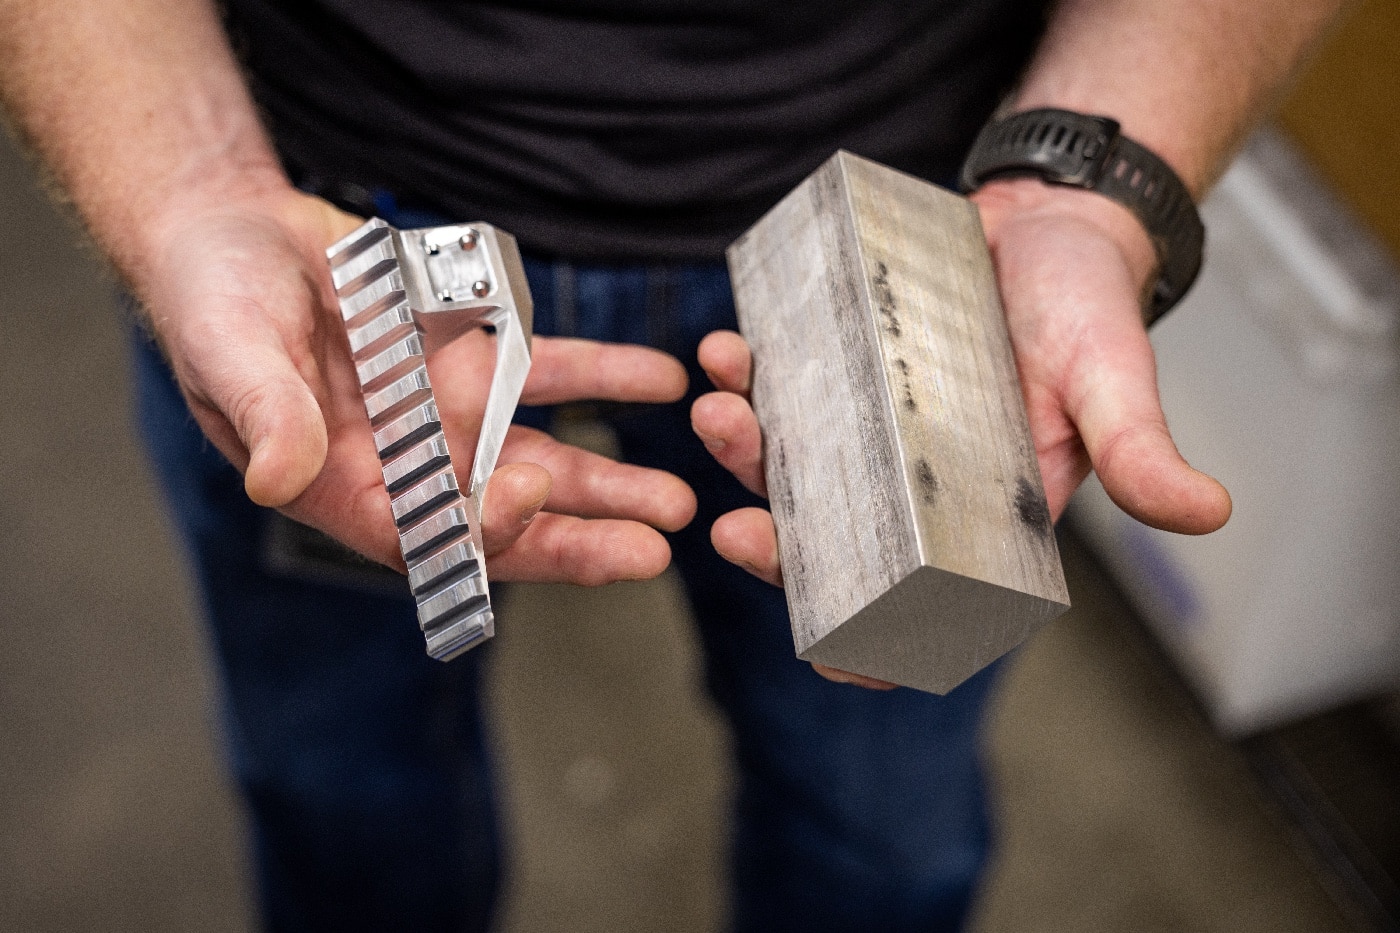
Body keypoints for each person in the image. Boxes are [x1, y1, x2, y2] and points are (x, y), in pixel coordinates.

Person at [0, 0, 1341, 930]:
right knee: (344, 792)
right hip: (325, 232)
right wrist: (186, 191)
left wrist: (1087, 180)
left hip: (898, 215)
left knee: (879, 836)